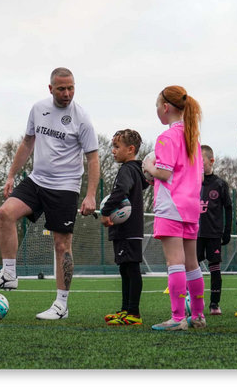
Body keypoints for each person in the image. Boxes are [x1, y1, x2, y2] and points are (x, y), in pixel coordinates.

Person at [0, 68, 99, 320]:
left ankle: (61, 305)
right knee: (5, 213)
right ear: (50, 88)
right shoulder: (38, 109)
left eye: (71, 88)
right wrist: (12, 175)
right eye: (61, 89)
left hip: (65, 187)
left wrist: (90, 195)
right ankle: (9, 274)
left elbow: (92, 158)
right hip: (37, 180)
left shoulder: (82, 119)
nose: (67, 94)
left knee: (61, 244)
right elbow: (27, 142)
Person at [142, 85, 205, 332]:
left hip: (171, 205)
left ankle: (178, 318)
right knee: (193, 263)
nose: (157, 110)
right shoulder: (193, 138)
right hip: (191, 206)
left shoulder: (166, 137)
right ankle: (198, 316)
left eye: (157, 106)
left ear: (165, 108)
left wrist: (148, 166)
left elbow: (165, 172)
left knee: (175, 263)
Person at [101, 129, 149, 326]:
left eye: (116, 147)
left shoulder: (127, 169)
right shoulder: (138, 170)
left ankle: (134, 313)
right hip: (129, 229)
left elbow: (121, 191)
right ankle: (125, 310)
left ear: (130, 149)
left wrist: (106, 211)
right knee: (125, 269)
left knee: (131, 268)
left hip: (128, 228)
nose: (113, 151)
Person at [197, 145, 232, 315]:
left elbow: (228, 208)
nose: (197, 162)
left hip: (213, 233)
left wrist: (226, 231)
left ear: (211, 161)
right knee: (191, 268)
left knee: (214, 267)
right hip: (194, 233)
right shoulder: (193, 182)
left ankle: (214, 304)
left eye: (200, 159)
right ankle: (193, 303)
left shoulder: (220, 184)